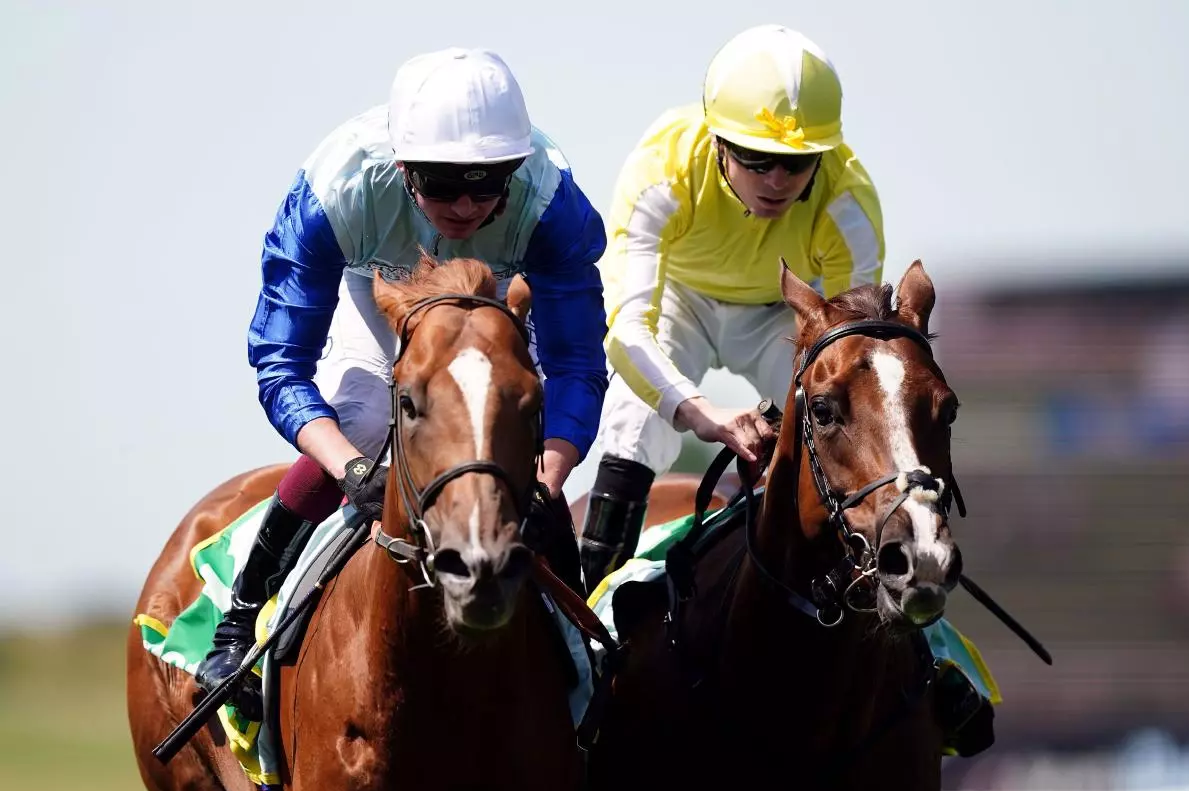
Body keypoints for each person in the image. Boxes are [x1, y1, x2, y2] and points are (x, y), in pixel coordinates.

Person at [194, 47, 609, 719]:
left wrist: (549, 475)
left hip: (493, 294)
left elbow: (577, 367)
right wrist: (350, 467)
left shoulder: (553, 205)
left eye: (488, 183)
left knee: (509, 435)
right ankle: (240, 619)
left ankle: (578, 638)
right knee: (360, 417)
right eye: (443, 184)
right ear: (401, 167)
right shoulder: (334, 192)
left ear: (517, 169)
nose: (468, 205)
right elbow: (281, 365)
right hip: (381, 287)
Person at [578, 24, 885, 595]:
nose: (776, 180)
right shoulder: (663, 170)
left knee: (854, 423)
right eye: (755, 157)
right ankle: (589, 611)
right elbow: (627, 332)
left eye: (796, 163)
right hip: (678, 304)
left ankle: (906, 618)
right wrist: (703, 413)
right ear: (718, 140)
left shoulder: (848, 200)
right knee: (633, 419)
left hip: (782, 314)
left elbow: (857, 356)